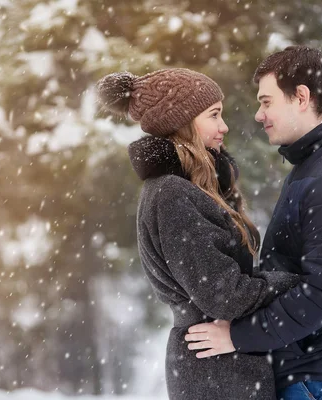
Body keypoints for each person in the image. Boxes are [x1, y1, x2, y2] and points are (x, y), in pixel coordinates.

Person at [185, 46, 322, 400]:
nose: (259, 115)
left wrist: (236, 335)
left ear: (302, 98)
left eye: (267, 102)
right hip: (318, 375)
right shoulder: (316, 167)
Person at [96, 68, 299, 400]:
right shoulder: (171, 194)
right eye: (214, 115)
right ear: (184, 122)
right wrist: (292, 282)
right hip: (213, 370)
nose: (224, 126)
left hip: (225, 364)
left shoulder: (192, 189)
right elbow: (223, 294)